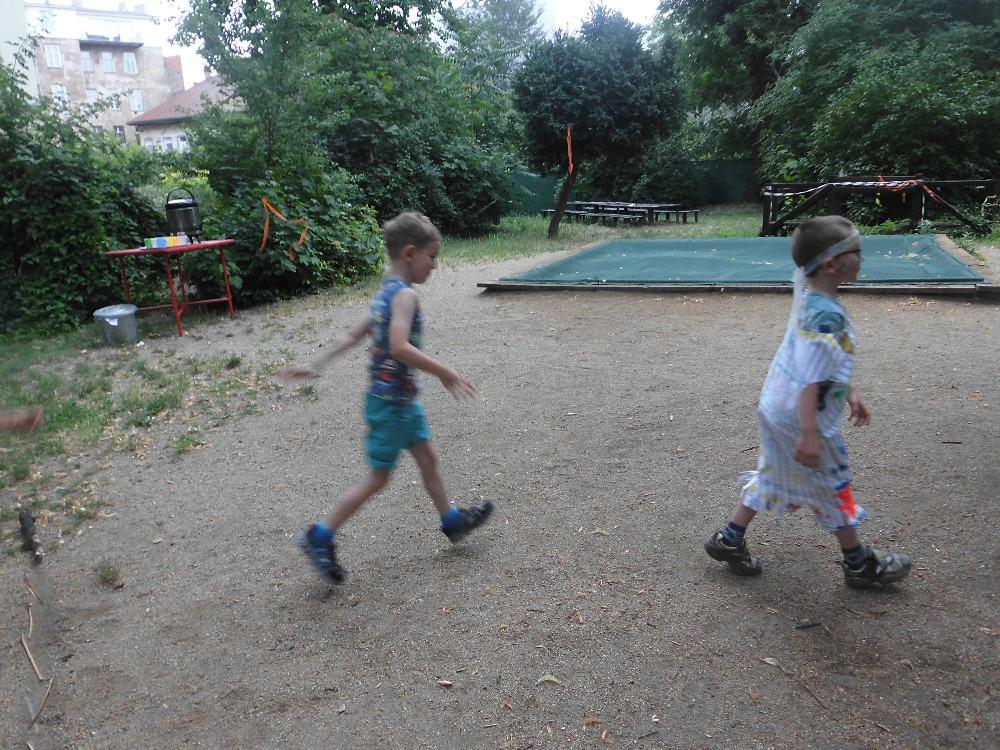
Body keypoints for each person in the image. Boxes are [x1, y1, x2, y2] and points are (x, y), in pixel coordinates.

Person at [282, 211, 494, 582]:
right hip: (392, 405)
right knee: (377, 478)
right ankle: (320, 535)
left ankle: (452, 521)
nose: (435, 265)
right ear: (410, 253)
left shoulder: (385, 293)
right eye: (432, 257)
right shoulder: (405, 296)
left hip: (400, 401)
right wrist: (444, 371)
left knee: (427, 458)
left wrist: (316, 365)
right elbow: (398, 346)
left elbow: (353, 336)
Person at [705, 215, 911, 589]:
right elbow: (810, 377)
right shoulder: (825, 316)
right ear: (831, 264)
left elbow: (823, 364)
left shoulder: (811, 295)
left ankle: (729, 538)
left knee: (773, 472)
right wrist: (811, 433)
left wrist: (849, 390)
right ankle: (858, 564)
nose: (862, 258)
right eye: (856, 252)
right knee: (833, 484)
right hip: (802, 417)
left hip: (777, 406)